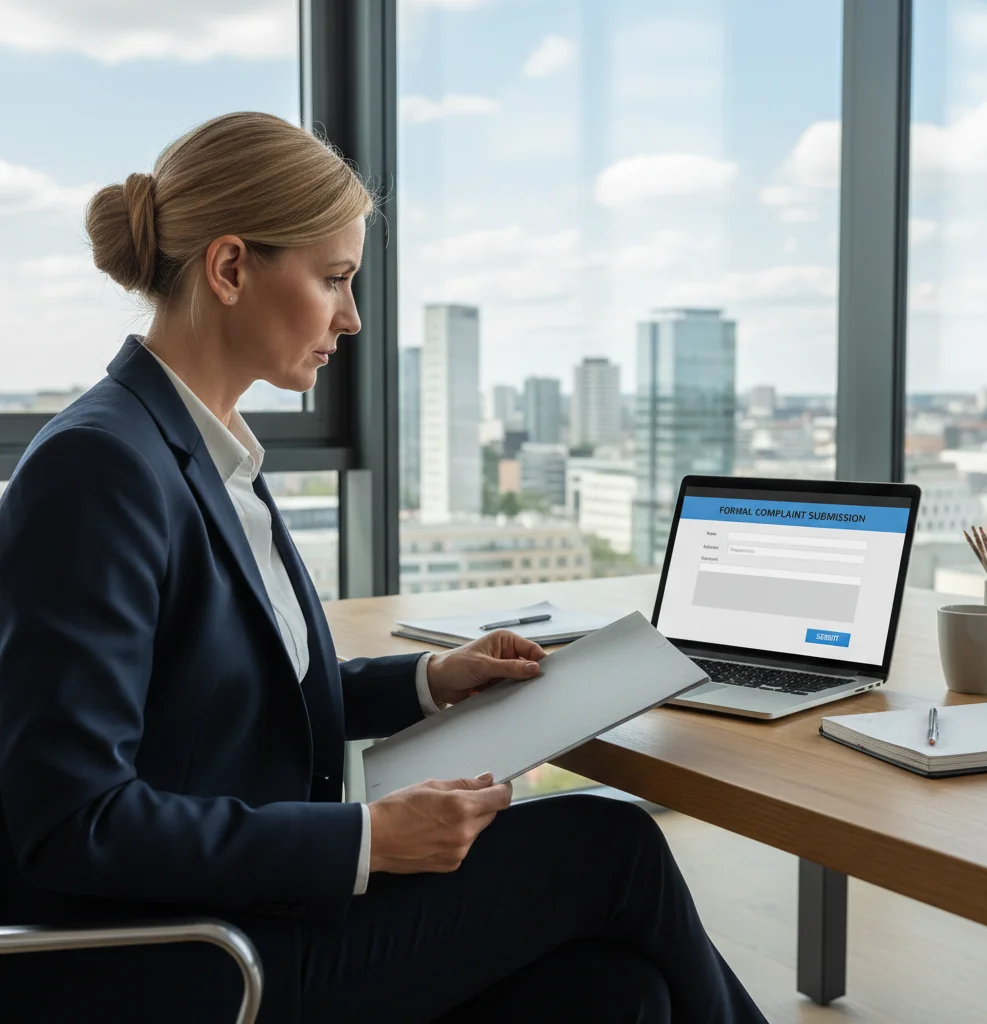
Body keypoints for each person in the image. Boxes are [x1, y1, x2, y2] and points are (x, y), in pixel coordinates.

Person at [0, 111, 768, 1024]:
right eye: (334, 279)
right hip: (186, 957)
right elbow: (73, 822)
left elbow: (230, 693)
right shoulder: (99, 467)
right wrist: (368, 839)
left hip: (250, 911)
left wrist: (429, 680)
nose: (353, 317)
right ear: (232, 267)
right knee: (611, 845)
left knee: (618, 994)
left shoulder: (201, 451)